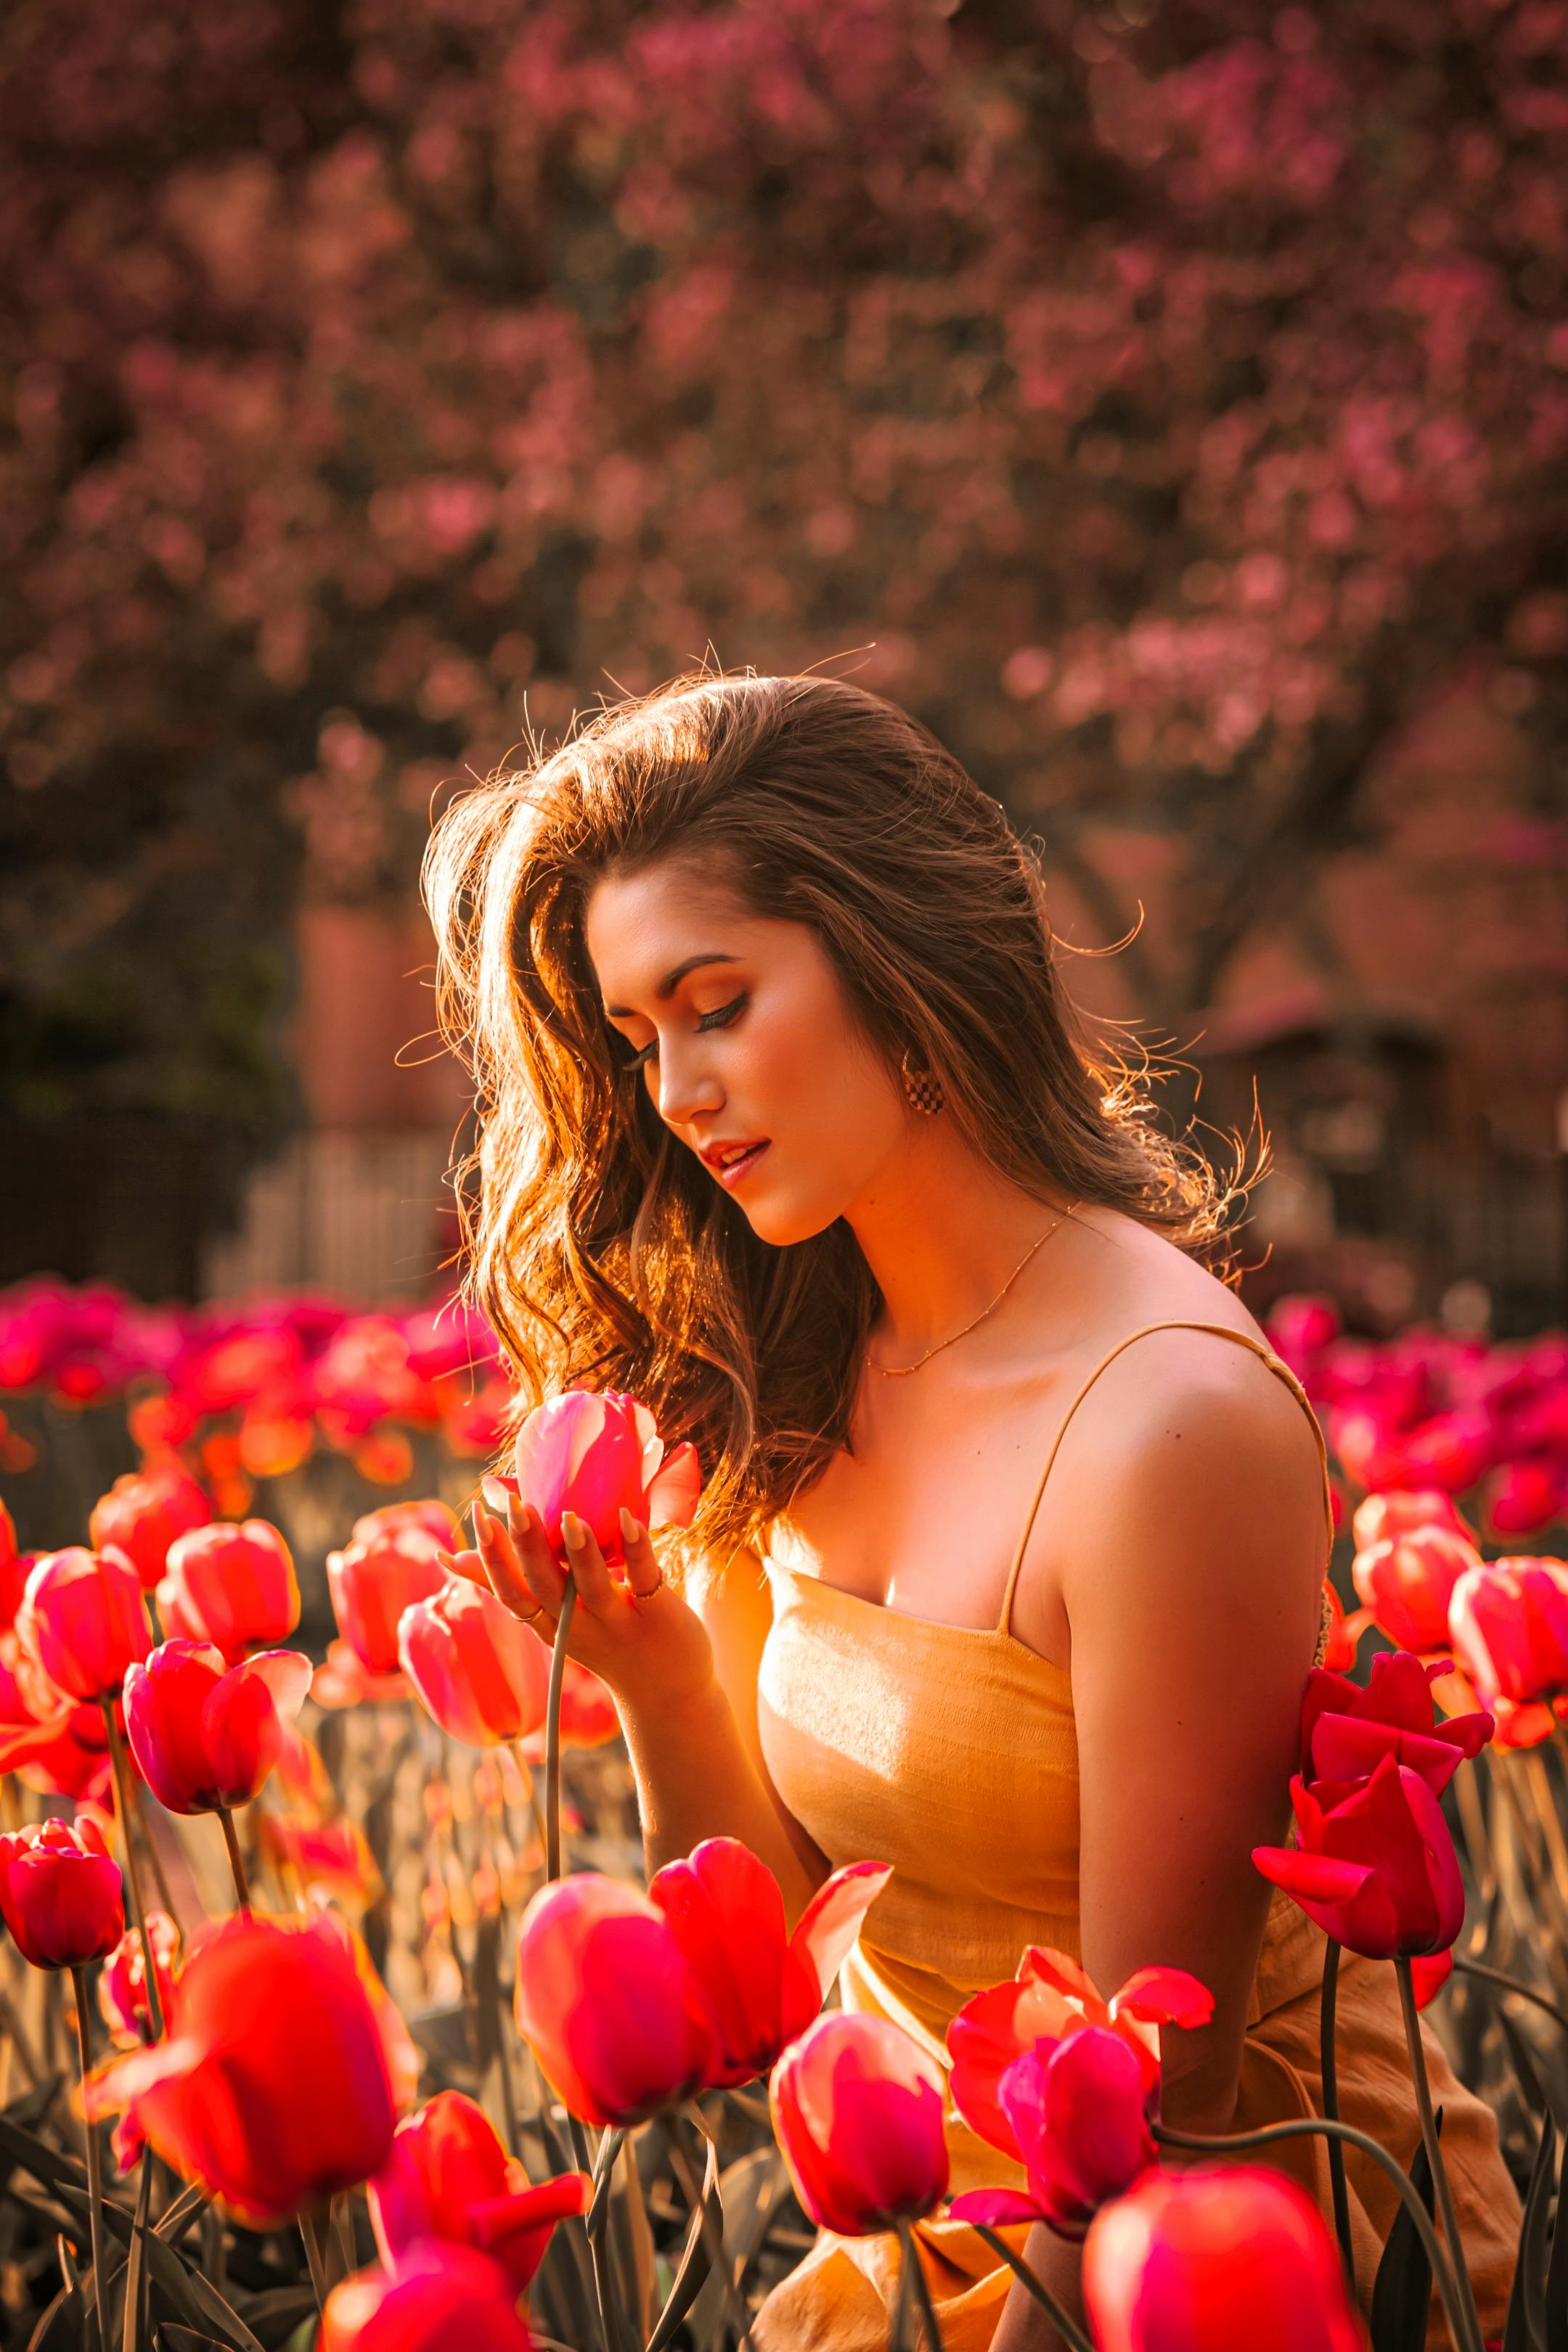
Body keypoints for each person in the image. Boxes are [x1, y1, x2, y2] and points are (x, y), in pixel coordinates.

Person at [425, 669, 1517, 2347]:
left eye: (718, 1004)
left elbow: (1165, 2095)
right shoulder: (787, 1365)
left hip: (1214, 2265)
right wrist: (655, 1678)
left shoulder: (1170, 1426)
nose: (674, 1094)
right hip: (931, 2237)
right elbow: (776, 1974)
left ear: (897, 958)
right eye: (640, 1039)